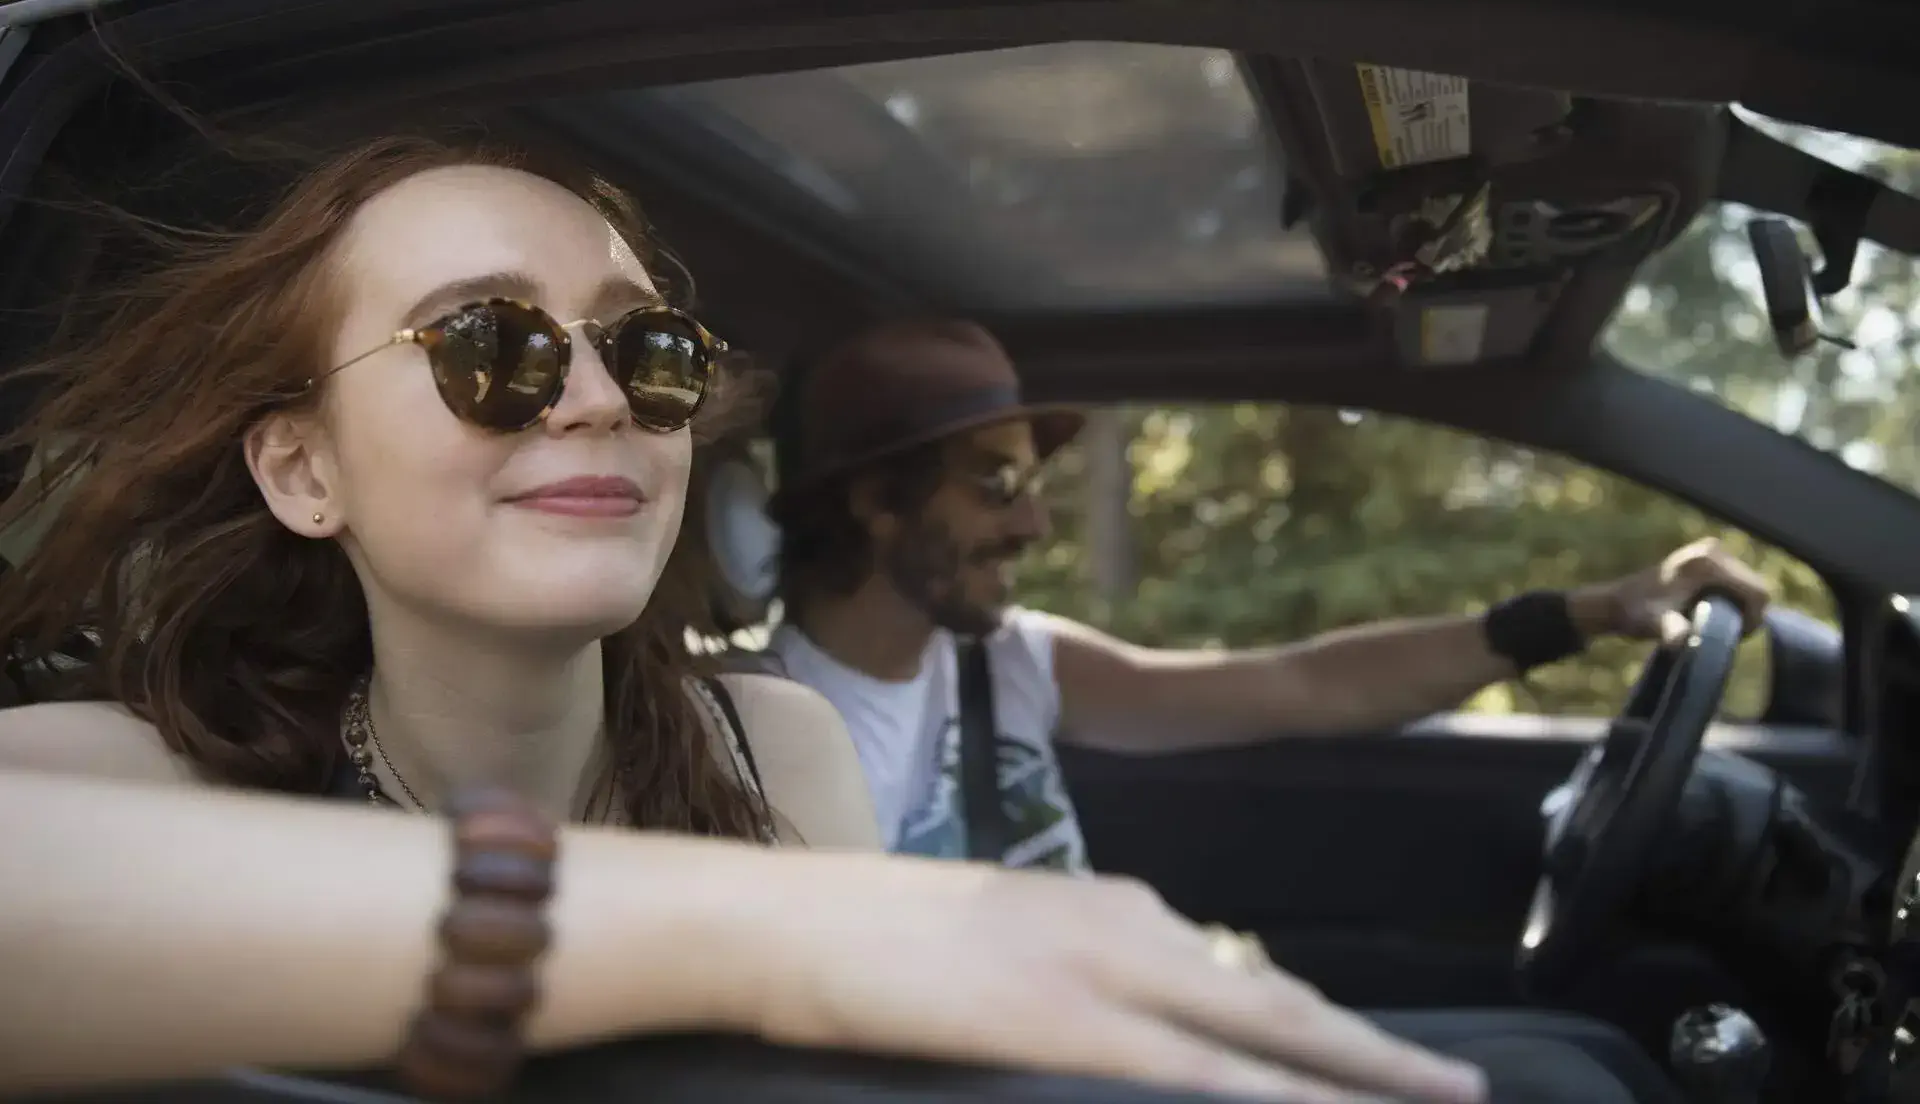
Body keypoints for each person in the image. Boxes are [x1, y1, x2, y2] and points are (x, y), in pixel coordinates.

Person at [0, 136, 1490, 1104]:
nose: (597, 399)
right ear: (302, 467)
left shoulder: (773, 748)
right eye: (493, 345)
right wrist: (786, 934)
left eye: (648, 350)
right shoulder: (149, 775)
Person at [760, 317, 1772, 872]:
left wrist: (1586, 612)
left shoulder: (1010, 663)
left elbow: (1304, 685)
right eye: (996, 484)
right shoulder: (746, 722)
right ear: (876, 502)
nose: (1035, 525)